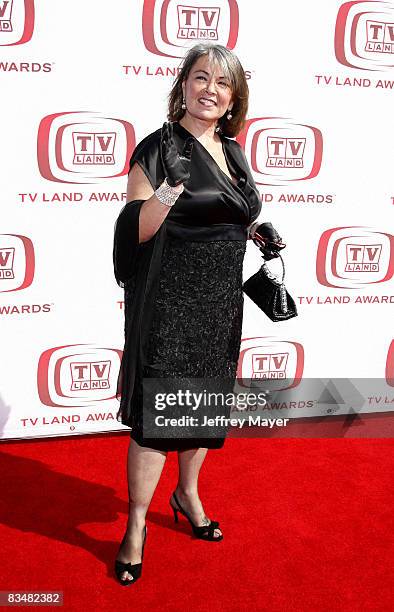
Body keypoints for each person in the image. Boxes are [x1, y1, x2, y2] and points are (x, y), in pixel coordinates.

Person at [112, 42, 285, 586]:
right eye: (200, 78)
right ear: (183, 85)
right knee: (159, 416)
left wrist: (255, 229)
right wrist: (164, 195)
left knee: (202, 408)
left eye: (223, 82)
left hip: (218, 302)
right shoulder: (158, 148)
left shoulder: (234, 152)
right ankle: (136, 524)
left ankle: (186, 493)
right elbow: (134, 232)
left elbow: (234, 208)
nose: (211, 89)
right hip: (169, 301)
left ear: (234, 96)